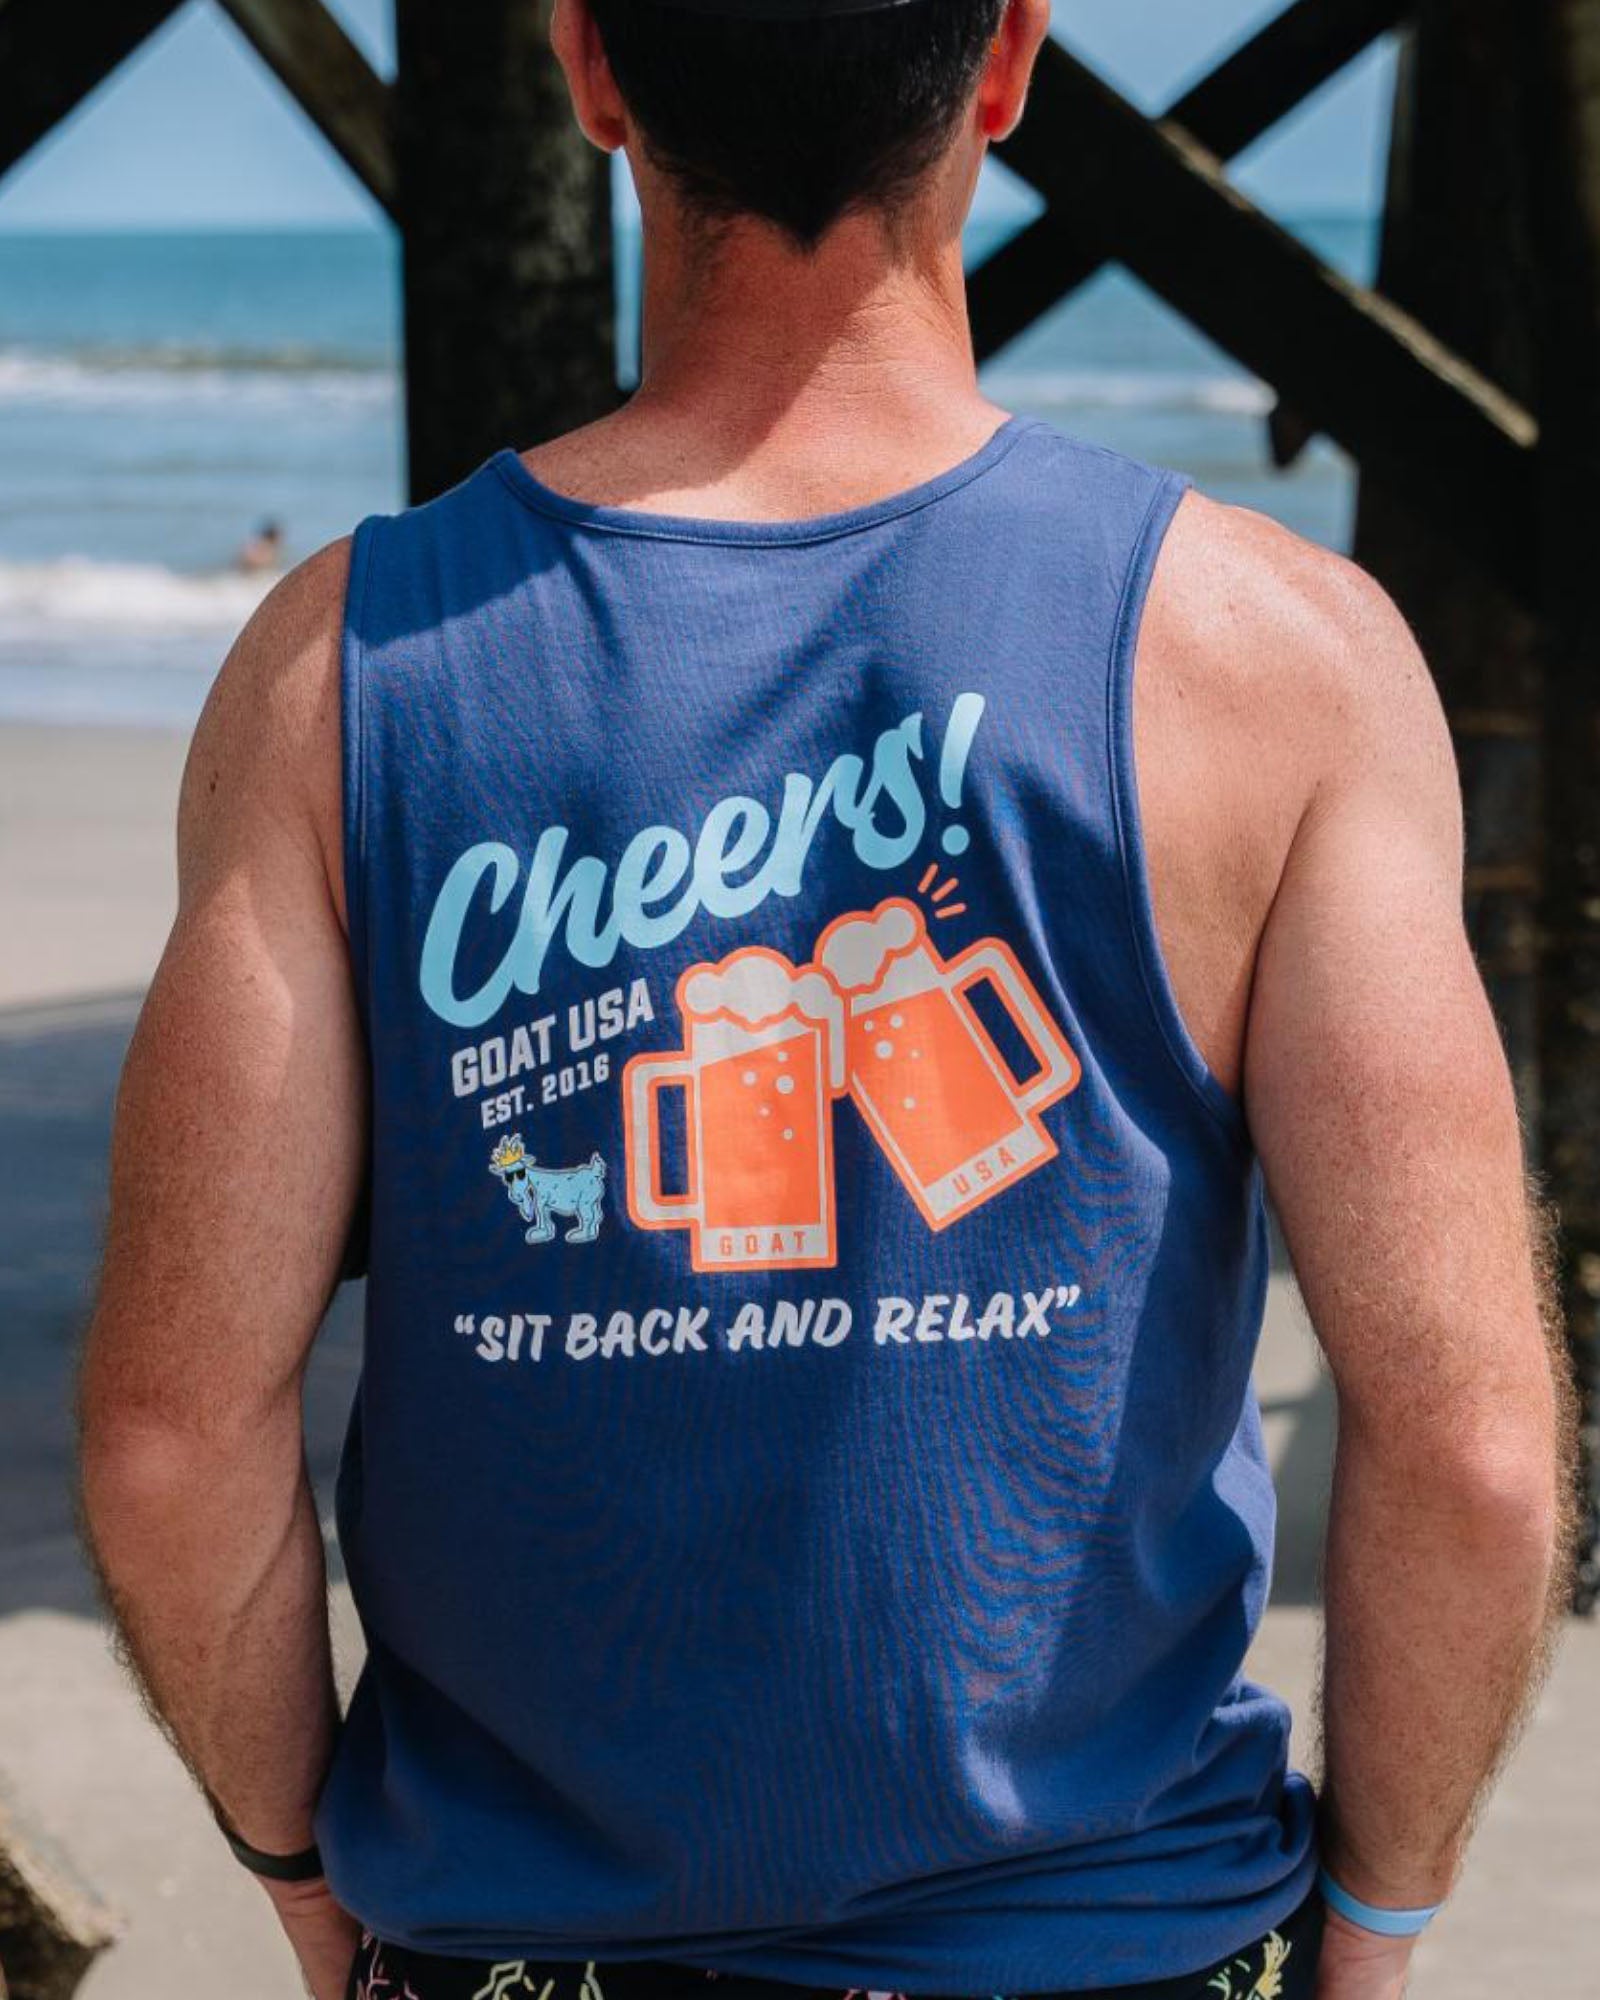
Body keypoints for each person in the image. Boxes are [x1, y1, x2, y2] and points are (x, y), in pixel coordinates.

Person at [75, 3, 1573, 2000]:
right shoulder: (1274, 658)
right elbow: (1467, 1445)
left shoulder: (341, 675)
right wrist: (1368, 1938)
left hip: (524, 1952)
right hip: (1108, 1944)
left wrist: (315, 1882)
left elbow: (175, 1438)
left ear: (590, 69)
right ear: (1010, 60)